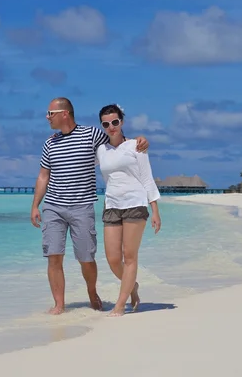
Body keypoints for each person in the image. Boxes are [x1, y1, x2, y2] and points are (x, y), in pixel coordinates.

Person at [30, 97, 149, 315]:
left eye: (50, 113)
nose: (47, 118)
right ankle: (59, 304)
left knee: (86, 257)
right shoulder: (50, 143)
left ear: (64, 113)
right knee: (53, 256)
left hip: (82, 205)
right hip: (53, 206)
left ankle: (92, 293)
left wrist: (138, 141)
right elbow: (43, 175)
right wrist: (35, 205)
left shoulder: (91, 135)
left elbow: (117, 142)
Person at [96, 104, 161, 317]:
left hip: (135, 203)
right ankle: (132, 286)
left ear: (121, 122)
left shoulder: (136, 146)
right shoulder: (101, 150)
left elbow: (146, 177)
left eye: (115, 122)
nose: (111, 127)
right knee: (113, 259)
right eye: (106, 124)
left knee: (129, 255)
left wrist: (155, 209)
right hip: (112, 205)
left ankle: (120, 305)